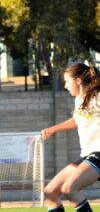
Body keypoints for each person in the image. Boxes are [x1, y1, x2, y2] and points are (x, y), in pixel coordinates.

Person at [41, 63, 100, 212]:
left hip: (98, 153)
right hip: (87, 155)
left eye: (67, 82)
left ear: (78, 81)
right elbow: (77, 120)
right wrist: (53, 129)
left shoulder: (98, 97)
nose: (66, 86)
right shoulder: (80, 100)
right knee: (50, 193)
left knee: (69, 188)